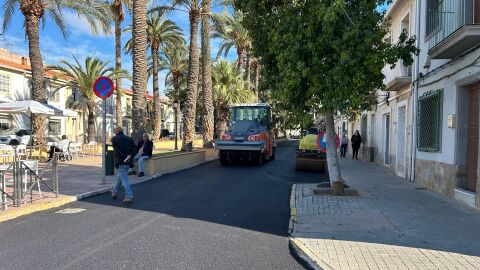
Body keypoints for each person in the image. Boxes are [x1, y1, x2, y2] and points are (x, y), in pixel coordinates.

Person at [111, 127, 136, 204]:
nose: (114, 132)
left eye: (115, 131)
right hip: (128, 162)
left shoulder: (114, 139)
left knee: (124, 180)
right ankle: (114, 191)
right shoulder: (129, 139)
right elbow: (135, 149)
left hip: (120, 162)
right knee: (120, 178)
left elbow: (117, 152)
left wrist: (125, 156)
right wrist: (130, 156)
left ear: (117, 131)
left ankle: (129, 196)